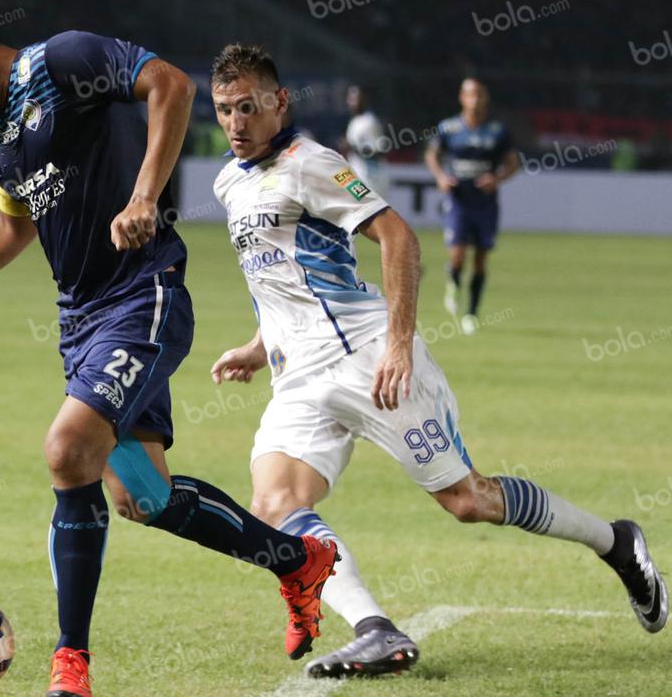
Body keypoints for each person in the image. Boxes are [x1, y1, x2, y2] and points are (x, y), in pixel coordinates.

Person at [0, 0, 338, 697]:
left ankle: (71, 665)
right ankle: (295, 561)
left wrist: (144, 195)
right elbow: (13, 226)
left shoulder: (62, 60)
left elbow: (170, 85)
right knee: (143, 497)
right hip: (81, 323)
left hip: (142, 296)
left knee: (68, 451)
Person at [207, 43, 667, 679]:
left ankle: (616, 543)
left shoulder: (312, 164)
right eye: (225, 109)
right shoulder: (229, 181)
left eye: (248, 107)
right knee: (275, 504)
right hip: (300, 378)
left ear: (279, 102)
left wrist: (399, 343)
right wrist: (259, 348)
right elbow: (281, 278)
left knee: (468, 500)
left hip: (366, 357)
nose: (235, 122)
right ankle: (375, 630)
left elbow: (397, 235)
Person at [424, 78, 519, 334]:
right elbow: (432, 154)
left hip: (485, 204)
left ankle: (472, 314)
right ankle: (453, 283)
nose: (474, 99)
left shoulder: (497, 131)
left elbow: (513, 163)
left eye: (479, 94)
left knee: (479, 259)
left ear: (485, 98)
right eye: (470, 94)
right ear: (462, 98)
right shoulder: (450, 128)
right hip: (459, 201)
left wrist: (497, 178)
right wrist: (441, 177)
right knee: (457, 254)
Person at [342, 85, 389, 198]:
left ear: (364, 100)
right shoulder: (354, 121)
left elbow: (379, 150)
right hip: (357, 177)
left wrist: (353, 147)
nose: (353, 102)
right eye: (350, 98)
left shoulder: (369, 121)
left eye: (357, 98)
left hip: (371, 179)